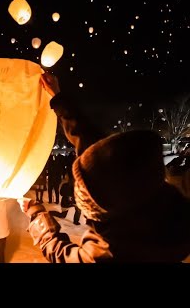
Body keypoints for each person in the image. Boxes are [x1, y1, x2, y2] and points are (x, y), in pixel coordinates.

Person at [23, 72, 190, 263]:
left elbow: (63, 255)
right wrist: (59, 100)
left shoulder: (109, 252)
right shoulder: (150, 201)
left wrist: (38, 218)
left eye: (85, 196)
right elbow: (99, 153)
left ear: (102, 208)